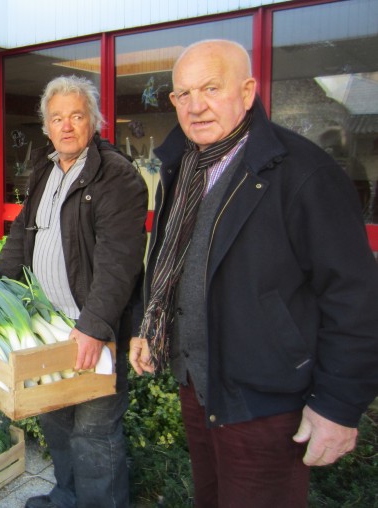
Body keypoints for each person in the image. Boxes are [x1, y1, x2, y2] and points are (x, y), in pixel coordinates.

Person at [129, 39, 378, 507]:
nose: (196, 105)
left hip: (265, 399)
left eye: (211, 88)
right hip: (199, 386)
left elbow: (356, 299)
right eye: (183, 93)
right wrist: (150, 323)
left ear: (248, 91)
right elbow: (168, 257)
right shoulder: (181, 166)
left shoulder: (304, 173)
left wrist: (339, 406)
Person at [0, 75, 147, 508]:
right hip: (48, 327)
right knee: (57, 422)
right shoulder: (45, 170)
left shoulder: (116, 176)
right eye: (56, 118)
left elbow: (120, 261)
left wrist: (95, 325)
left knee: (95, 434)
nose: (66, 126)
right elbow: (22, 238)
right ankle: (67, 497)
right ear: (45, 126)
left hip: (91, 330)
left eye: (76, 116)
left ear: (93, 121)